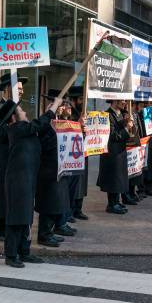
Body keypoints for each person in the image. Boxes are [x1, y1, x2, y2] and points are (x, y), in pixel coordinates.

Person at [0, 96, 60, 268]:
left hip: (28, 179)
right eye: (20, 110)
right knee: (16, 217)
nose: (24, 112)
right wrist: (53, 107)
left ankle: (24, 251)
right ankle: (11, 254)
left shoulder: (26, 130)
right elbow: (38, 123)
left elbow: (42, 127)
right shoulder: (16, 129)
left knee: (26, 217)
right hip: (17, 181)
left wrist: (50, 113)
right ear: (13, 118)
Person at [0, 73, 27, 241]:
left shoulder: (19, 108)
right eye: (18, 89)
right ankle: (0, 229)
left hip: (16, 158)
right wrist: (14, 125)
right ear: (7, 90)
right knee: (1, 193)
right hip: (2, 158)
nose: (22, 91)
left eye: (22, 89)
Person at [35, 89, 74, 248]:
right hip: (47, 169)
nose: (62, 108)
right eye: (58, 105)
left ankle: (51, 231)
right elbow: (43, 143)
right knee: (48, 203)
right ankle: (43, 235)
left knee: (56, 201)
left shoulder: (61, 122)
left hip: (59, 168)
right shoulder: (44, 122)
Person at [97, 99, 132, 214]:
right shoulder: (107, 115)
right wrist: (126, 129)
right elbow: (113, 136)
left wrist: (128, 124)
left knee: (119, 178)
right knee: (113, 178)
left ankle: (116, 201)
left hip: (120, 152)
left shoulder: (122, 115)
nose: (125, 103)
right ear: (114, 101)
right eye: (122, 100)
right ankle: (111, 204)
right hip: (112, 153)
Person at [67, 86, 88, 221]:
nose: (83, 102)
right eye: (81, 99)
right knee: (73, 183)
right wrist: (78, 126)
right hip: (73, 155)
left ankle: (78, 208)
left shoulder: (83, 114)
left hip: (84, 152)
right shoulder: (70, 115)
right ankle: (70, 210)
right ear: (74, 100)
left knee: (82, 181)